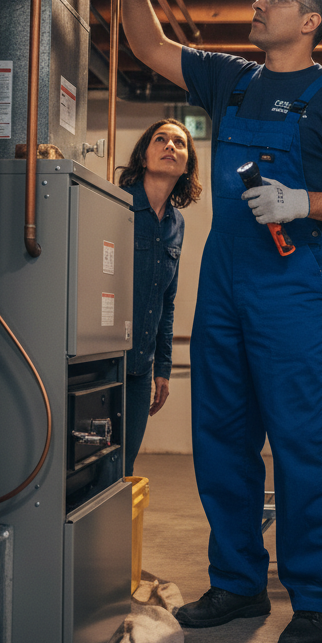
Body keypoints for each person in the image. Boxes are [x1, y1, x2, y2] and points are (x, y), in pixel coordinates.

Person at [110, 0, 322, 643]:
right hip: (224, 289)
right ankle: (236, 583)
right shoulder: (230, 76)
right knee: (222, 442)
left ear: (310, 20)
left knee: (300, 444)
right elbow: (146, 44)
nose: (261, 1)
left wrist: (305, 203)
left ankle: (316, 601)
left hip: (291, 290)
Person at [117, 118, 201, 476]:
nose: (170, 146)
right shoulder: (115, 204)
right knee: (91, 466)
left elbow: (167, 302)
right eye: (161, 139)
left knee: (124, 467)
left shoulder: (175, 224)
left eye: (179, 143)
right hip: (105, 361)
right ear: (143, 155)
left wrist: (162, 369)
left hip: (140, 366)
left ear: (186, 166)